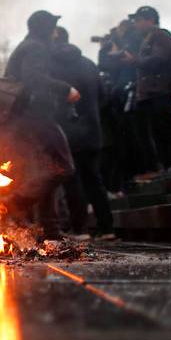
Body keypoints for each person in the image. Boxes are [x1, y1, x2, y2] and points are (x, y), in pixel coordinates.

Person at [2, 10, 80, 239]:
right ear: (45, 28)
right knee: (63, 166)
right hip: (36, 116)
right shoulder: (35, 48)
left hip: (27, 117)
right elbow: (33, 78)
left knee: (48, 169)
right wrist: (66, 89)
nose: (55, 34)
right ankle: (13, 202)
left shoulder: (28, 46)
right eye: (53, 28)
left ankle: (51, 230)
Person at [52, 27, 114, 238]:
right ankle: (107, 228)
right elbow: (103, 96)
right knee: (94, 179)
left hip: (66, 132)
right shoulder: (88, 63)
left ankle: (80, 229)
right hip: (93, 130)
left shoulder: (52, 66)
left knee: (72, 180)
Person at [121, 6, 171, 173]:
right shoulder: (148, 38)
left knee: (165, 131)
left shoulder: (161, 36)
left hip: (160, 92)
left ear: (150, 20)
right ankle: (166, 167)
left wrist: (135, 61)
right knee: (157, 133)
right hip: (152, 94)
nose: (136, 24)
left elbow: (159, 59)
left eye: (139, 20)